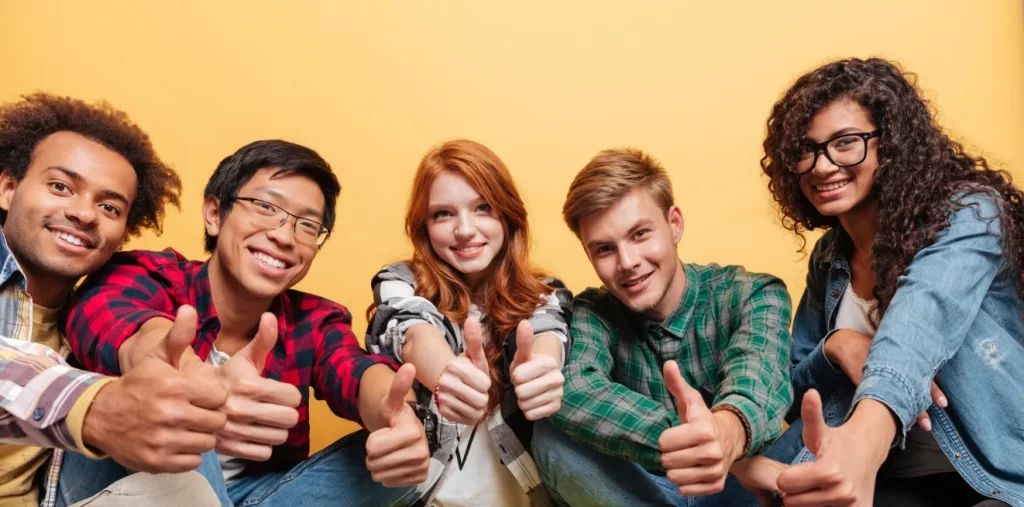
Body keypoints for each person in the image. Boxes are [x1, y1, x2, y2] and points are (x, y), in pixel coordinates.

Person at [62, 140, 430, 506]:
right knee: (184, 401)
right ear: (214, 214)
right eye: (266, 207)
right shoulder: (146, 273)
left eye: (307, 225)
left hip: (253, 496)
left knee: (398, 461)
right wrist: (187, 373)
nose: (284, 236)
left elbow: (354, 370)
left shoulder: (315, 320)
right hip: (121, 487)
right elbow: (112, 321)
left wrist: (398, 413)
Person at [754, 57, 1021, 507]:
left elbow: (919, 323)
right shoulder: (830, 258)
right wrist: (837, 345)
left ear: (890, 145)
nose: (822, 166)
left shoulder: (970, 214)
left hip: (994, 473)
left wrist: (865, 439)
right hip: (893, 479)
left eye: (846, 142)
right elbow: (793, 390)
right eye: (806, 149)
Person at [531, 147, 793, 506]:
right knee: (551, 438)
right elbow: (574, 387)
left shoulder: (752, 294)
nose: (628, 263)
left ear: (675, 224)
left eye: (639, 234)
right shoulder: (594, 310)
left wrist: (727, 437)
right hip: (647, 492)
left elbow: (758, 383)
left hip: (742, 495)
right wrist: (704, 449)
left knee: (809, 448)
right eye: (605, 249)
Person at [0, 92, 221, 507]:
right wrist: (96, 408)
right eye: (61, 186)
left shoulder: (92, 315)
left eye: (109, 207)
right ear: (9, 189)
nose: (85, 214)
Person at [365, 139, 572, 506]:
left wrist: (541, 369)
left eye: (483, 208)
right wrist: (449, 377)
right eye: (443, 214)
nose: (464, 229)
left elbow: (546, 331)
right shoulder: (400, 281)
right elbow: (413, 328)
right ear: (424, 226)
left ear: (508, 216)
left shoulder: (546, 292)